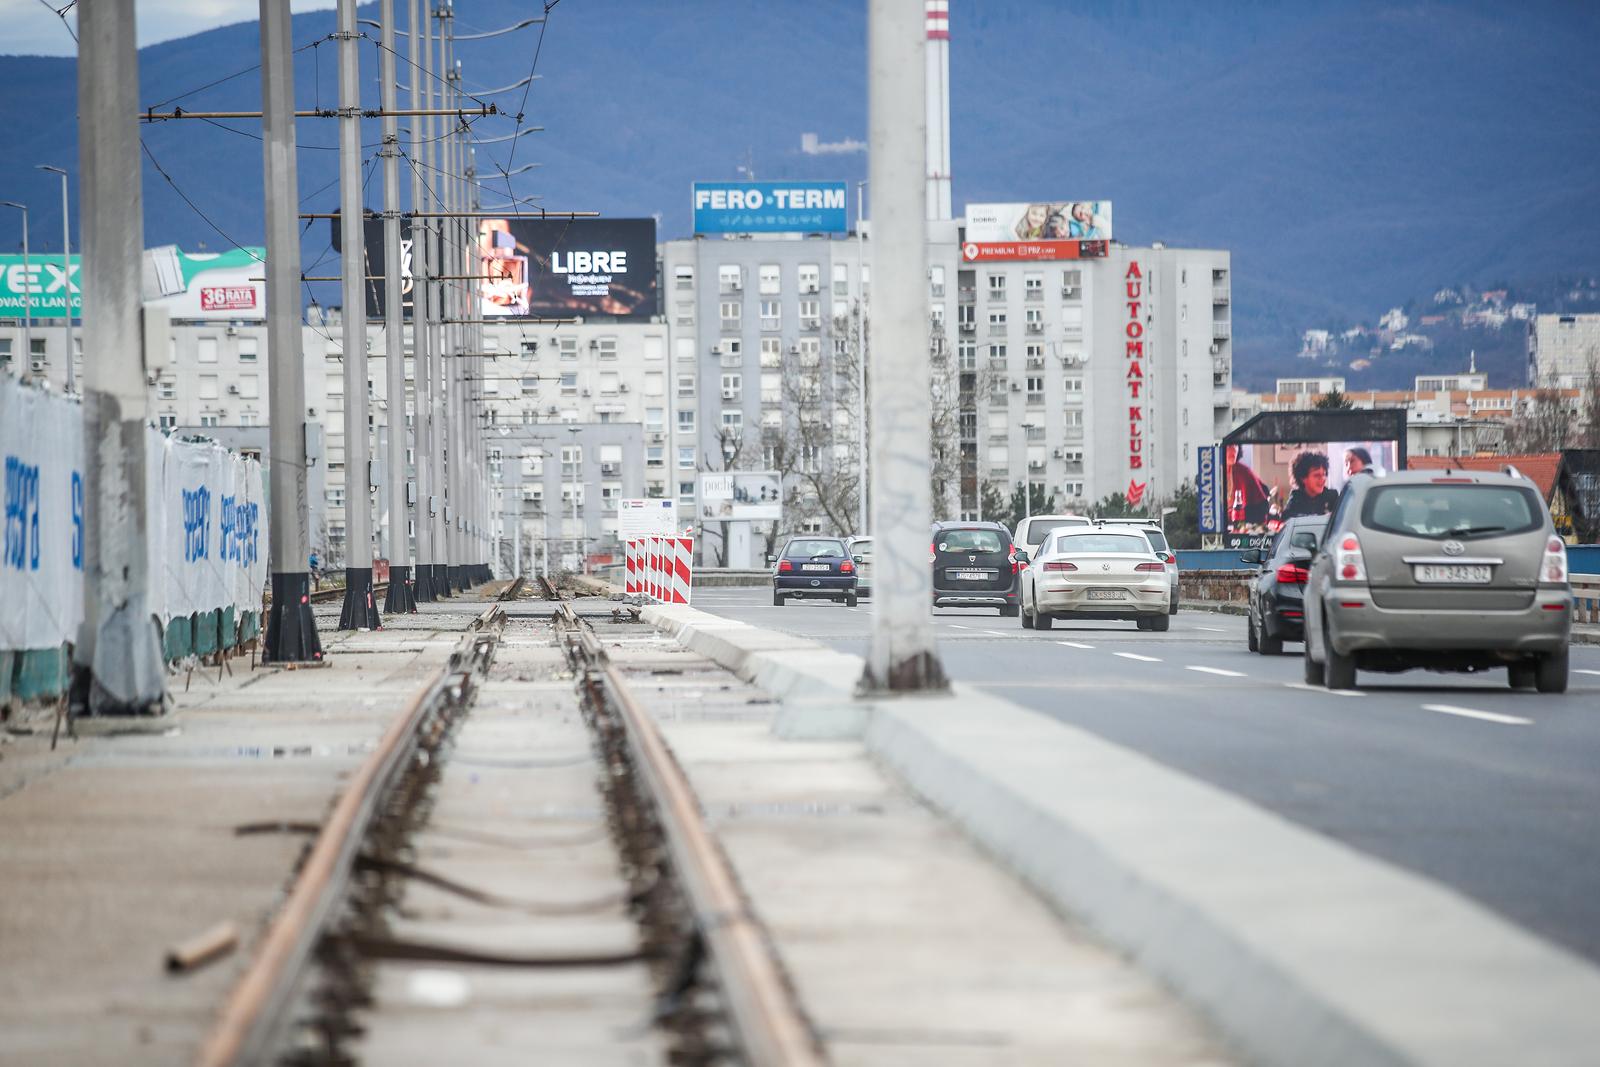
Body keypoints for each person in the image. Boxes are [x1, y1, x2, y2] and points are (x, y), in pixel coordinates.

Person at [1282, 450, 1339, 519]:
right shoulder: (1296, 497)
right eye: (1317, 475)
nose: (1323, 479)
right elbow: (1287, 517)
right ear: (1303, 478)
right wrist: (1323, 518)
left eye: (1324, 474)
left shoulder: (1332, 496)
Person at [1226, 444, 1271, 527]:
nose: (1234, 449)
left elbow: (1262, 507)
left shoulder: (1244, 472)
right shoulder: (1213, 472)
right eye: (1229, 446)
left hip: (1242, 526)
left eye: (1235, 445)